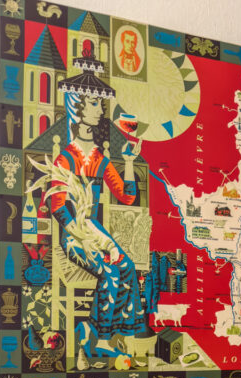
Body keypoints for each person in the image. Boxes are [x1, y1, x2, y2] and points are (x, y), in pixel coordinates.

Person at [51, 45, 144, 361]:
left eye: (100, 103)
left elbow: (127, 196)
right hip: (74, 235)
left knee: (127, 268)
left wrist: (128, 162)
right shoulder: (65, 159)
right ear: (77, 109)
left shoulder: (99, 158)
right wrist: (88, 240)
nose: (101, 109)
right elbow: (58, 208)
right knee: (109, 272)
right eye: (94, 103)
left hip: (94, 230)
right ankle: (100, 339)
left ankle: (100, 331)